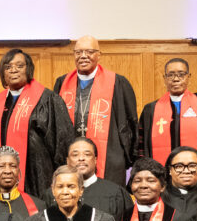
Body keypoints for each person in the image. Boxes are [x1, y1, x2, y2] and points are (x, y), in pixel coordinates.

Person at [0, 48, 72, 197]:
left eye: (19, 66)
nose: (13, 70)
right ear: (2, 73)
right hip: (1, 178)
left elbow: (63, 142)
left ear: (29, 69)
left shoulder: (47, 99)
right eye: (8, 67)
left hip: (36, 177)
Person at [53, 36, 139, 187]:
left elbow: (130, 122)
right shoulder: (62, 83)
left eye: (89, 52)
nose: (83, 56)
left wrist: (129, 156)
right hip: (72, 156)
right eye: (78, 52)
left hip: (109, 157)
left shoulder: (118, 82)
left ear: (99, 55)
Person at [138, 58, 197, 190]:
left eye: (181, 74)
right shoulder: (150, 110)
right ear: (164, 78)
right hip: (163, 188)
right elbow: (142, 150)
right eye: (171, 75)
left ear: (188, 77)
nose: (176, 79)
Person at [42, 137, 132, 221]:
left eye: (87, 154)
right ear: (67, 161)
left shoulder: (116, 193)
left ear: (95, 160)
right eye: (75, 155)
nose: (81, 158)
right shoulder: (52, 194)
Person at [0, 146, 45, 216]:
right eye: (1, 166)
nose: (8, 171)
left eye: (13, 166)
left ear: (18, 171)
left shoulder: (38, 205)